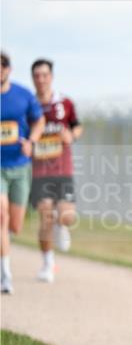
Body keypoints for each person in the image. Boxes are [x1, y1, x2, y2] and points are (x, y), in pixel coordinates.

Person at [30, 58, 82, 283]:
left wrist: (72, 135)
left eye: (44, 75)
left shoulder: (65, 103)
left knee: (67, 216)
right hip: (39, 171)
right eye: (37, 75)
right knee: (45, 216)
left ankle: (64, 226)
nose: (41, 79)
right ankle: (47, 263)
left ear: (51, 76)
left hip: (63, 168)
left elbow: (77, 126)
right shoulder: (28, 105)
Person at [1, 51, 44, 294]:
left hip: (19, 166)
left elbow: (39, 121)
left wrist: (32, 141)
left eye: (2, 66)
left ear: (9, 69)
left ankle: (3, 247)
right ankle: (5, 276)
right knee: (1, 216)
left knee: (14, 226)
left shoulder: (23, 95)